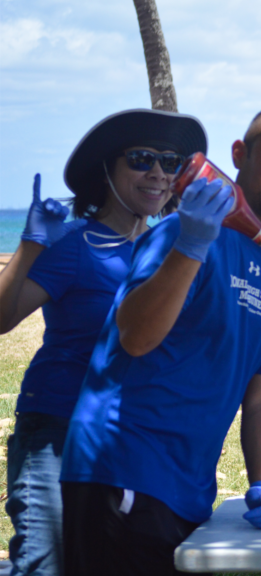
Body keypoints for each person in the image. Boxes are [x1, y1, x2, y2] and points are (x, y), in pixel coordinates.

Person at [58, 104, 261, 575]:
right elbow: (135, 336)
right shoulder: (182, 234)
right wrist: (192, 247)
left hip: (190, 490)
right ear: (239, 155)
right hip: (121, 471)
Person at [0, 108, 205, 576]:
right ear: (107, 171)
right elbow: (3, 318)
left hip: (129, 441)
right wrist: (32, 244)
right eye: (141, 159)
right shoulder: (77, 243)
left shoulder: (171, 250)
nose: (158, 172)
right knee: (45, 565)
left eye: (170, 162)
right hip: (56, 427)